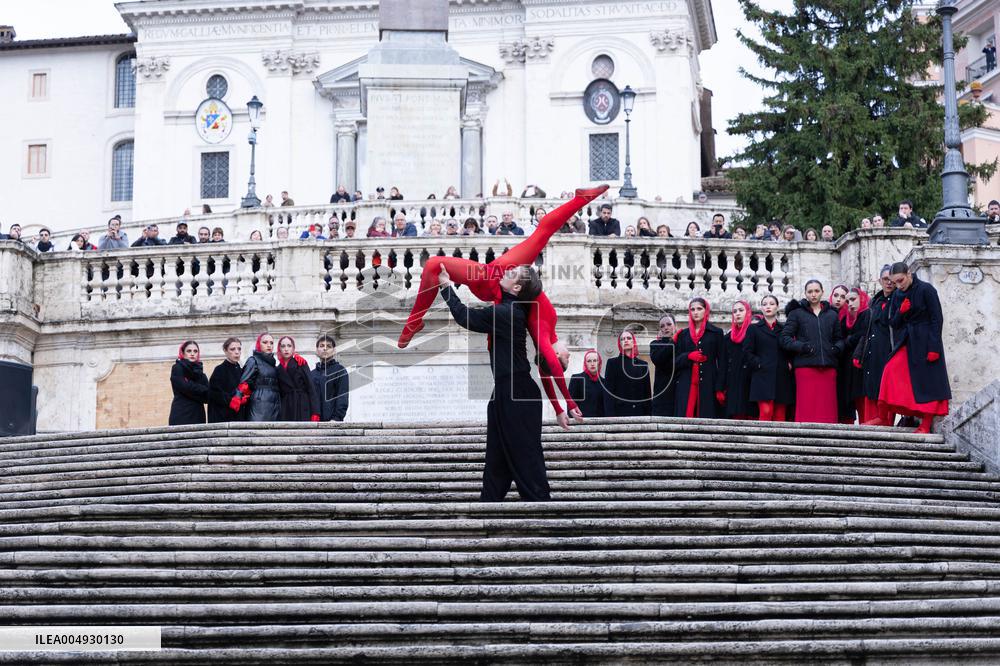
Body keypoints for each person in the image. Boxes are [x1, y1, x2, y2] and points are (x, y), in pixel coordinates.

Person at [398, 185, 608, 350]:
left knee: (434, 265)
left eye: (564, 357)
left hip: (491, 279)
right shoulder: (543, 318)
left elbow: (549, 364)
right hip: (490, 277)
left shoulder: (535, 321)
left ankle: (413, 322)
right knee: (433, 265)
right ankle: (413, 322)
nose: (567, 354)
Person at [438, 263, 552, 501]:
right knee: (497, 456)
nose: (505, 273)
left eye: (512, 273)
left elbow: (465, 317)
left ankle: (542, 508)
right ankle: (488, 505)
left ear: (517, 287)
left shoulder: (507, 312)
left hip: (517, 391)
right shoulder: (510, 309)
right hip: (506, 390)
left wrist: (447, 286)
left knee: (526, 456)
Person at [873, 263, 950, 433]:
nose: (898, 285)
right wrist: (901, 312)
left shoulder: (926, 290)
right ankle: (883, 416)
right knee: (890, 370)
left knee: (927, 382)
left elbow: (937, 319)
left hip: (926, 340)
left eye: (900, 280)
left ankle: (925, 424)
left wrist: (934, 347)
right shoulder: (897, 294)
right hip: (907, 340)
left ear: (909, 273)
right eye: (895, 282)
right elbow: (893, 323)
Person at [780, 279, 844, 424]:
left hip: (828, 368)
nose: (813, 294)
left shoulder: (832, 315)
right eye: (810, 291)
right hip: (805, 368)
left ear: (822, 292)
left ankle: (828, 436)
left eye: (816, 291)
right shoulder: (796, 313)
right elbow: (784, 338)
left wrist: (836, 349)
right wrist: (802, 347)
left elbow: (839, 338)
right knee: (807, 409)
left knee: (827, 409)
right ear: (805, 294)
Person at [854, 265, 896, 424]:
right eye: (885, 279)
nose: (889, 283)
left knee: (886, 387)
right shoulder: (874, 303)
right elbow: (866, 331)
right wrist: (859, 353)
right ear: (880, 281)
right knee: (871, 386)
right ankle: (871, 419)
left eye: (892, 279)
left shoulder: (898, 299)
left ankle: (884, 420)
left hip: (889, 349)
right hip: (872, 351)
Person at [744, 294, 795, 421]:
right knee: (765, 412)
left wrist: (789, 363)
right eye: (765, 304)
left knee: (780, 415)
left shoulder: (784, 329)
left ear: (777, 307)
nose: (768, 307)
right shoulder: (753, 329)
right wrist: (759, 364)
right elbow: (747, 352)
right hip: (762, 376)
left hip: (781, 376)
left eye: (772, 304)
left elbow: (791, 349)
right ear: (761, 308)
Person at [674, 298, 726, 418]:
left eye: (699, 309)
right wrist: (688, 356)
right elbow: (675, 361)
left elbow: (722, 362)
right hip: (687, 382)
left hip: (709, 382)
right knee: (686, 415)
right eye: (692, 309)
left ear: (706, 310)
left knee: (706, 416)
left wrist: (720, 387)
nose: (695, 312)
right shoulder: (683, 334)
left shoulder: (716, 332)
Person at [837, 288, 870, 424]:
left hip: (862, 362)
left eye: (853, 299)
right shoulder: (845, 319)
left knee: (862, 396)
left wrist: (849, 340)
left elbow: (863, 335)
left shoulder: (867, 315)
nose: (850, 303)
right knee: (849, 398)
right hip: (847, 366)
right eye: (847, 301)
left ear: (861, 299)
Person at [230, 333, 281, 422]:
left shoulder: (273, 364)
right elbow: (244, 381)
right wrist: (237, 397)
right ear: (258, 344)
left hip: (275, 405)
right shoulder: (253, 360)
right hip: (259, 405)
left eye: (271, 343)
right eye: (265, 342)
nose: (269, 345)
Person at [602, 329, 652, 417]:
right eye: (622, 339)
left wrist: (648, 414)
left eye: (628, 338)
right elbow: (608, 392)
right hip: (619, 413)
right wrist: (610, 416)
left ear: (633, 341)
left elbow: (647, 393)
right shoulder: (612, 363)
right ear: (619, 343)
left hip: (640, 413)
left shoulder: (643, 365)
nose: (626, 340)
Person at [275, 336, 320, 422]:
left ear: (293, 348)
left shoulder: (301, 363)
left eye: (289, 346)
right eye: (283, 346)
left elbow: (311, 387)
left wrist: (315, 412)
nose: (286, 349)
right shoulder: (278, 369)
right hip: (286, 408)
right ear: (279, 349)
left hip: (302, 405)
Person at [722, 300, 755, 419]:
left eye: (741, 310)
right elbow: (723, 363)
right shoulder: (728, 338)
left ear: (748, 313)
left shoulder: (755, 333)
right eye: (734, 311)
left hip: (750, 380)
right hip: (733, 381)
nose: (737, 313)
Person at [169, 341, 209, 425]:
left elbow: (207, 396)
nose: (192, 354)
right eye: (189, 351)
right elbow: (184, 387)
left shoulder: (200, 373)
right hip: (181, 414)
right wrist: (201, 390)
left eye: (195, 351)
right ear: (183, 354)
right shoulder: (177, 368)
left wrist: (189, 384)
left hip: (198, 415)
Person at [311, 334, 349, 422]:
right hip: (314, 422)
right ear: (317, 350)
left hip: (332, 422)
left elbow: (342, 396)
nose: (325, 348)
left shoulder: (340, 371)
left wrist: (337, 418)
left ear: (334, 351)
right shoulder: (312, 374)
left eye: (328, 346)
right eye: (321, 346)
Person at [208, 337, 245, 423]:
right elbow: (214, 393)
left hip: (239, 417)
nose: (237, 352)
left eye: (239, 349)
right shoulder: (219, 370)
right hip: (223, 418)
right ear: (225, 351)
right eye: (232, 349)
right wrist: (231, 400)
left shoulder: (241, 371)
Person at [649, 315, 677, 417]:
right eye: (662, 326)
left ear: (675, 326)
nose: (666, 328)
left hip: (679, 393)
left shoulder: (682, 343)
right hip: (662, 396)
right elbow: (658, 359)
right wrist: (672, 341)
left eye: (669, 324)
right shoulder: (655, 344)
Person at [568, 349, 606, 418]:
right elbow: (570, 402)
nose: (592, 364)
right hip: (581, 420)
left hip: (600, 421)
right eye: (589, 361)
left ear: (599, 363)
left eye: (595, 360)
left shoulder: (604, 382)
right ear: (585, 363)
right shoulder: (577, 379)